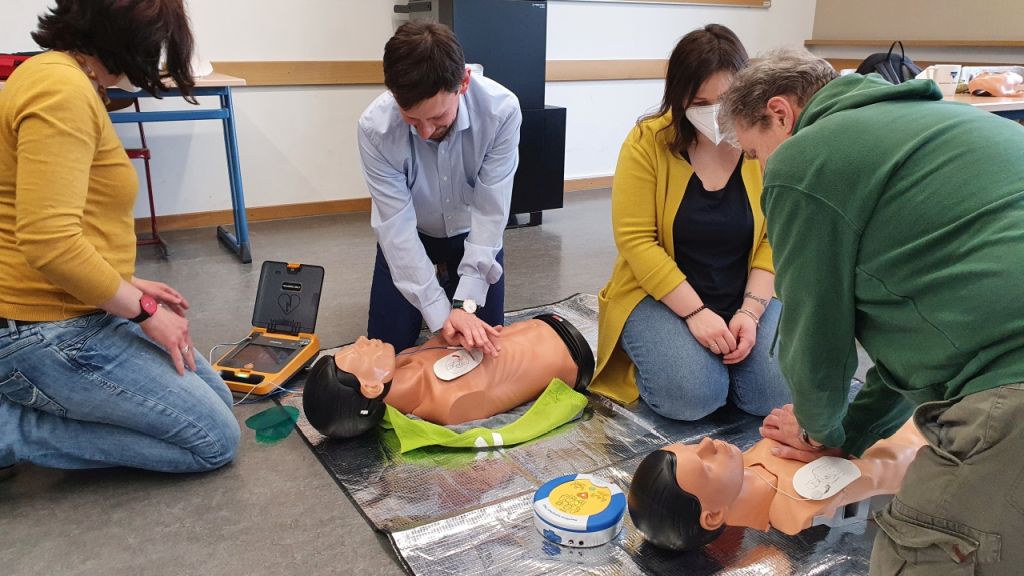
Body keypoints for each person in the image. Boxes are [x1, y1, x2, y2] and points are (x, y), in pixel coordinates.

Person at [720, 48, 1024, 575]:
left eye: (753, 152)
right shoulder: (939, 120)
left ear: (782, 113)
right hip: (996, 354)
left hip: (1008, 379)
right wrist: (849, 434)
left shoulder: (804, 159)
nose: (762, 168)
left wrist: (817, 432)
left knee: (921, 554)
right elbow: (909, 351)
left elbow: (816, 335)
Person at [0, 0, 239, 475]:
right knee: (213, 441)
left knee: (219, 400)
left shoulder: (63, 79)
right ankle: (13, 431)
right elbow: (49, 241)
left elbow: (65, 219)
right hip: (41, 330)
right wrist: (142, 310)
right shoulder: (60, 90)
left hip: (74, 308)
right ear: (127, 41)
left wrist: (122, 281)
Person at [589, 24, 790, 421]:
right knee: (691, 398)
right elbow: (637, 242)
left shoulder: (762, 139)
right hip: (661, 294)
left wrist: (750, 313)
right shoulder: (648, 141)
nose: (715, 114)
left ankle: (727, 365)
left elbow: (774, 237)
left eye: (727, 100)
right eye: (700, 102)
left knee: (774, 395)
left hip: (747, 289)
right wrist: (696, 314)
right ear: (678, 97)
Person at [358, 22, 522, 357]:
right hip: (412, 235)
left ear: (463, 82)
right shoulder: (375, 128)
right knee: (386, 353)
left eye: (437, 118)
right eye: (411, 119)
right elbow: (396, 229)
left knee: (485, 352)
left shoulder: (501, 112)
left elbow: (491, 213)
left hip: (472, 238)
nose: (424, 133)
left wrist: (465, 303)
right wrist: (440, 313)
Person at [628, 420, 926, 551]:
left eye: (693, 446)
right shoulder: (800, 504)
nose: (708, 442)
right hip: (928, 433)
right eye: (705, 464)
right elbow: (899, 464)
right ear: (714, 516)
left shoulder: (751, 459)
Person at [302, 314, 593, 437]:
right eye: (359, 353)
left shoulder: (404, 360)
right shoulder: (450, 404)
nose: (363, 339)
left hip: (544, 323)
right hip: (576, 353)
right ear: (371, 386)